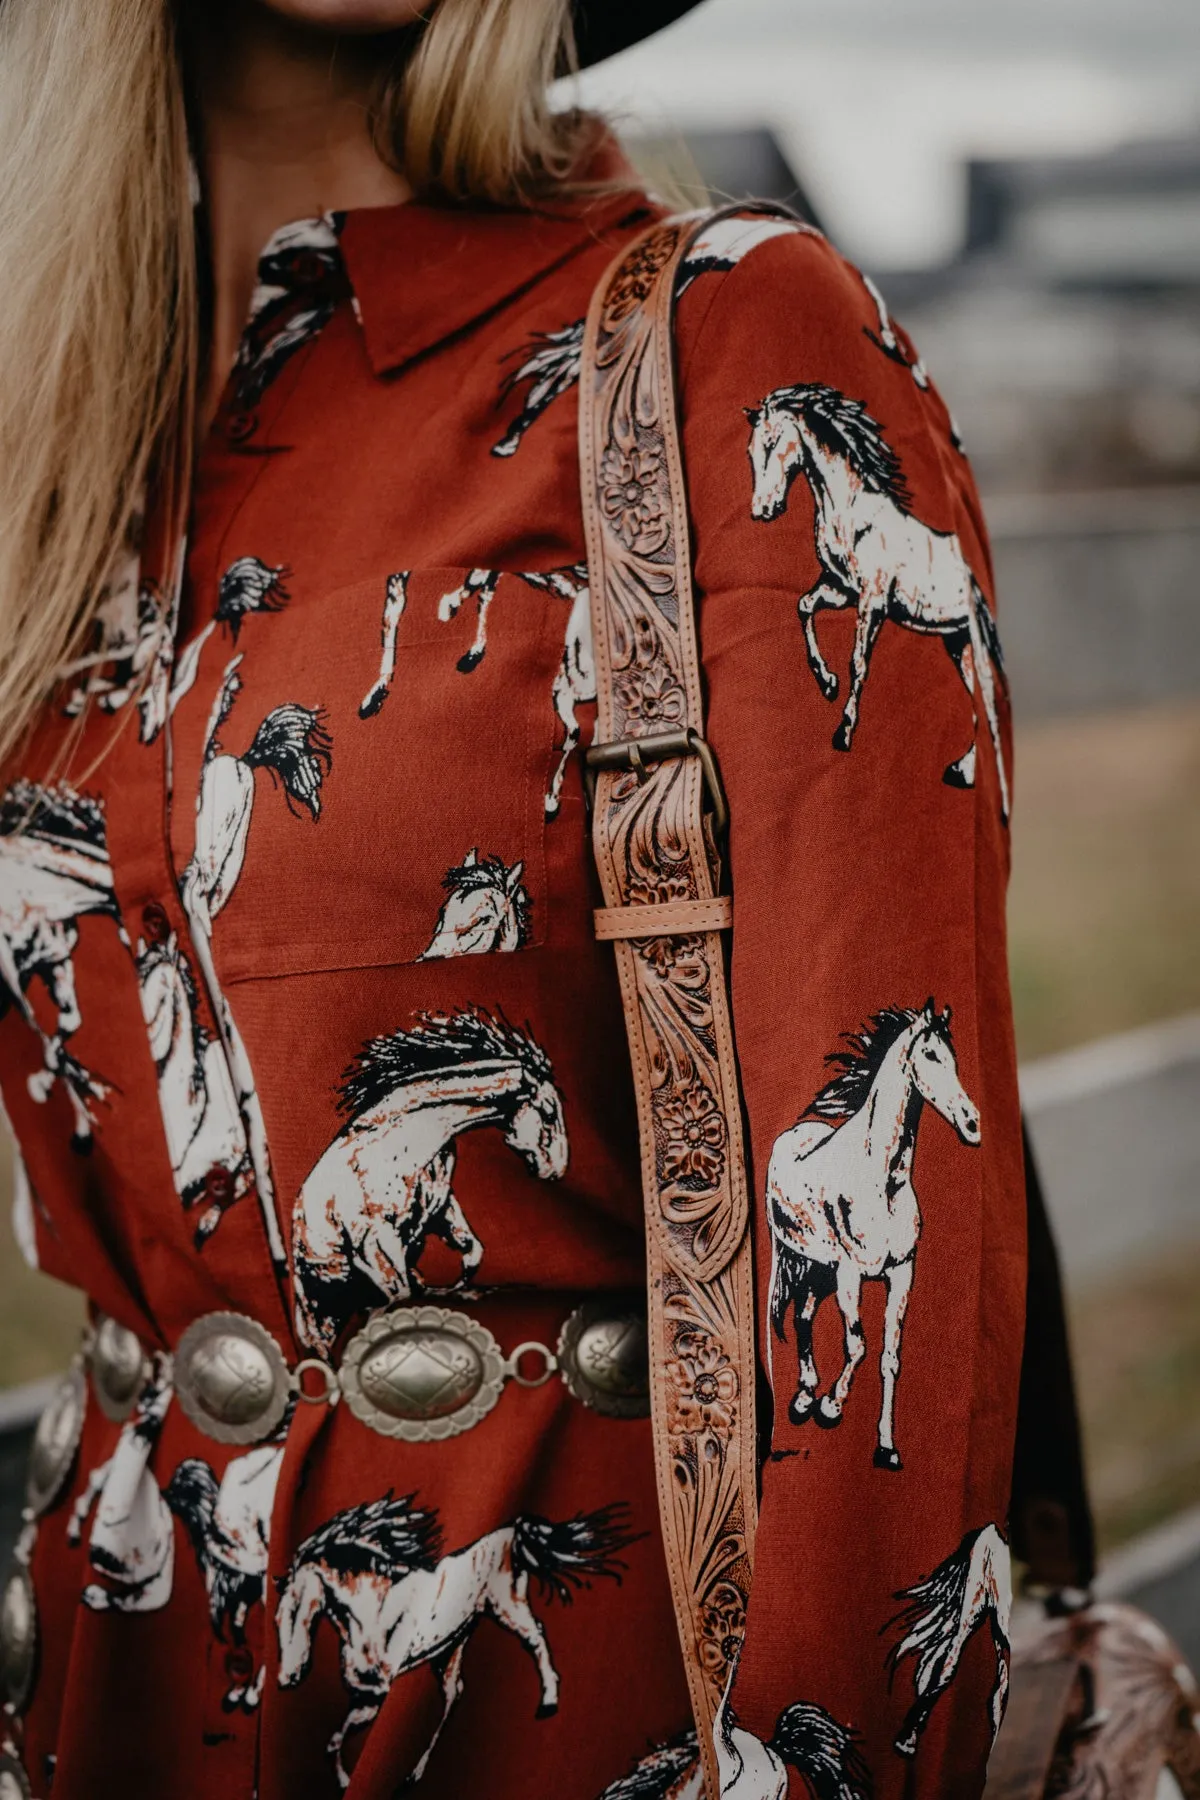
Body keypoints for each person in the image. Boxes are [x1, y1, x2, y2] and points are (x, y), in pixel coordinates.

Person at [0, 2, 1025, 1796]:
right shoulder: (51, 435)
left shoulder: (727, 335)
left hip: (579, 1712)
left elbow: (898, 1289)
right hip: (114, 1691)